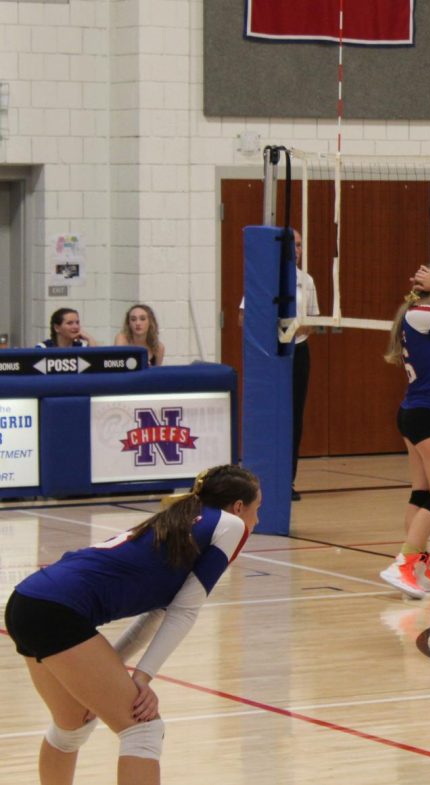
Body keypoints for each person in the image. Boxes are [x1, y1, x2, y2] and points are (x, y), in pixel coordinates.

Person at [4, 465, 260, 785]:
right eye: (257, 509)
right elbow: (184, 612)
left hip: (27, 600)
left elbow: (157, 614)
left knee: (71, 725)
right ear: (239, 507)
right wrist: (141, 679)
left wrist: (118, 675)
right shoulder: (232, 525)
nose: (257, 520)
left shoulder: (183, 520)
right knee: (144, 729)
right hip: (57, 611)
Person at [378, 265, 430, 599]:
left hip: (416, 412)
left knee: (423, 492)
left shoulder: (417, 314)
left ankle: (419, 567)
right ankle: (404, 564)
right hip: (426, 414)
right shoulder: (420, 313)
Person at [238, 229, 319, 501]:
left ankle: (288, 481)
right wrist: (273, 329)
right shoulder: (263, 278)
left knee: (293, 418)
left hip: (298, 352)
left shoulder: (306, 281)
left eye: (299, 244)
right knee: (266, 416)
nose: (295, 250)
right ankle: (258, 482)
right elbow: (242, 317)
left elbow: (314, 322)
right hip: (268, 355)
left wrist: (293, 329)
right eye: (291, 245)